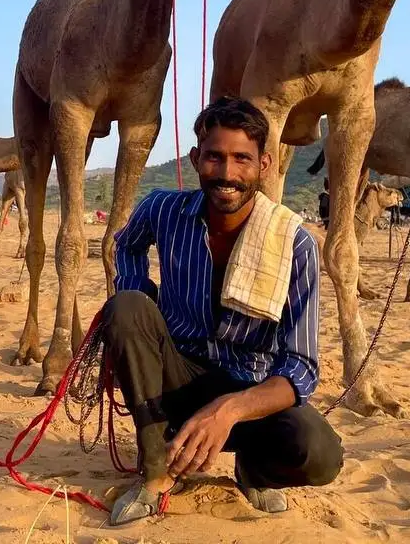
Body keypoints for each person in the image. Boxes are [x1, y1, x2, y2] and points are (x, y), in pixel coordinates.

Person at [104, 97, 344, 525]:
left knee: (318, 453)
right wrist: (139, 293)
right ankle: (157, 471)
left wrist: (229, 410)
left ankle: (252, 469)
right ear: (196, 158)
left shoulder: (295, 243)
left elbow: (301, 369)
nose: (227, 173)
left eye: (241, 159)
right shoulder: (163, 209)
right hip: (174, 377)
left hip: (248, 390)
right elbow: (127, 243)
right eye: (214, 156)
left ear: (264, 163)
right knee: (126, 308)